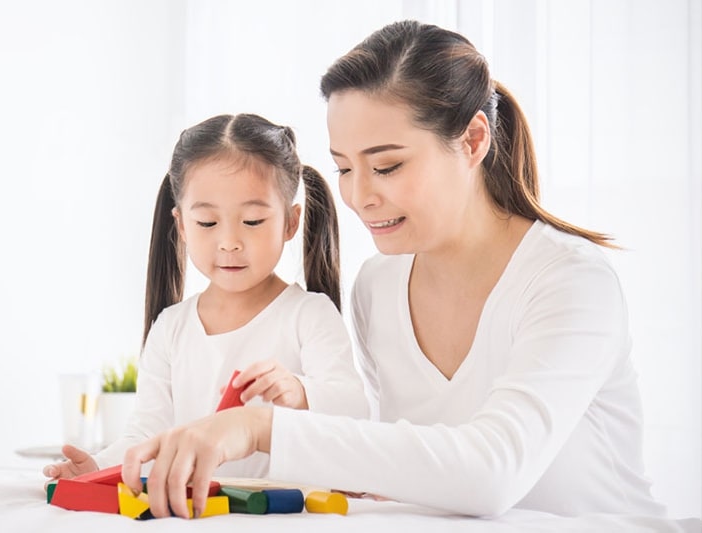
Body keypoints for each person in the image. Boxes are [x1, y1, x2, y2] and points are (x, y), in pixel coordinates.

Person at [119, 20, 665, 519]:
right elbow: (398, 456)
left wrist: (260, 427)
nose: (358, 196)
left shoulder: (569, 280)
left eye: (386, 166)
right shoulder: (377, 288)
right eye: (343, 168)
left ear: (473, 140)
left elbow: (491, 472)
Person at [43, 113, 368, 483]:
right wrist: (99, 468)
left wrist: (302, 392)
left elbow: (355, 414)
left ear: (291, 222)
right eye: (208, 223)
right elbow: (147, 434)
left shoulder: (308, 315)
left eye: (253, 221)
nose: (229, 241)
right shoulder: (171, 327)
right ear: (181, 225)